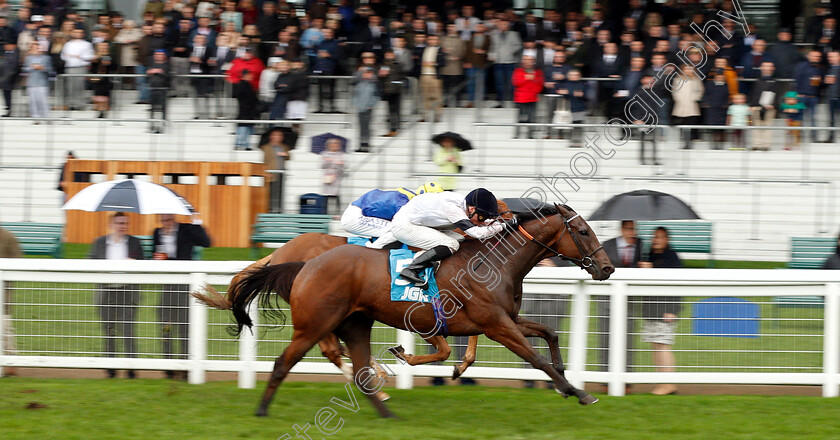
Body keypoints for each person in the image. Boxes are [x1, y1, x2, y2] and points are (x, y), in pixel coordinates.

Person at [368, 188, 505, 287]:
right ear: (471, 209)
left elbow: (478, 225)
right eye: (482, 217)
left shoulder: (463, 204)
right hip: (405, 225)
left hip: (417, 220)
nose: (482, 221)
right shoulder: (453, 209)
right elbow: (476, 233)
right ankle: (411, 269)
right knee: (452, 244)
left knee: (460, 239)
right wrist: (503, 227)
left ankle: (426, 261)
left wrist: (498, 224)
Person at [153, 213, 211, 380]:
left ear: (174, 217)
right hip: (167, 284)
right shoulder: (157, 233)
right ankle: (168, 366)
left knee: (185, 326)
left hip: (185, 283)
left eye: (168, 219)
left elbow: (206, 243)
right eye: (163, 220)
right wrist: (158, 260)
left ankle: (186, 366)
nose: (166, 223)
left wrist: (197, 223)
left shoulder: (187, 229)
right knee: (165, 324)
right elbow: (157, 256)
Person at [88, 212, 144, 379]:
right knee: (109, 330)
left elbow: (144, 263)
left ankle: (131, 367)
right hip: (106, 293)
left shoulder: (134, 243)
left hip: (127, 292)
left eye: (125, 223)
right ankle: (111, 368)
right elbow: (89, 261)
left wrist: (133, 263)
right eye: (119, 223)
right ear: (111, 224)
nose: (123, 226)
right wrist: (102, 267)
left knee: (128, 330)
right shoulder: (99, 242)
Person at [638, 227, 682, 395]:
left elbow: (677, 285)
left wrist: (673, 310)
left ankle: (669, 383)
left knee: (663, 346)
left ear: (667, 239)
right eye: (655, 237)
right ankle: (662, 381)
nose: (656, 240)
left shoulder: (671, 258)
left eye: (661, 237)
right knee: (656, 346)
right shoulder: (648, 256)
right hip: (651, 310)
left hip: (666, 310)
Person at [597, 220, 643, 382]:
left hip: (629, 301)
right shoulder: (607, 245)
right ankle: (604, 378)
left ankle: (626, 378)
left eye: (635, 229)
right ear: (622, 229)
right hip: (606, 299)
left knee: (627, 339)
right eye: (630, 229)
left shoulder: (641, 247)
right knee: (605, 338)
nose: (633, 232)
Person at [341, 182, 442, 239]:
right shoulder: (404, 202)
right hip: (354, 217)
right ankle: (373, 250)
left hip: (359, 211)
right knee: (397, 232)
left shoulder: (407, 198)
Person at [0, 223, 21, 376]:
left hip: (3, 291)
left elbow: (19, 261)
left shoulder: (8, 237)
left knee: (5, 327)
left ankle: (11, 362)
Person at [59, 28, 93, 111]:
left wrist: (79, 56)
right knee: (70, 86)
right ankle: (71, 103)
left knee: (79, 86)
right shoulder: (67, 44)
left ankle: (80, 104)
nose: (77, 34)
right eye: (75, 32)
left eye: (79, 32)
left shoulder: (87, 44)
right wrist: (68, 57)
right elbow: (63, 55)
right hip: (70, 66)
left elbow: (90, 56)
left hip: (80, 66)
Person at [748, 61, 779, 150]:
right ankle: (756, 144)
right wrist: (751, 105)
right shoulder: (757, 81)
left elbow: (777, 95)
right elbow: (753, 94)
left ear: (773, 68)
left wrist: (773, 105)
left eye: (769, 66)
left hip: (769, 108)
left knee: (768, 126)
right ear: (761, 68)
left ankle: (766, 145)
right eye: (765, 66)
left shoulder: (775, 82)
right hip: (757, 107)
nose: (767, 69)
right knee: (756, 126)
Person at [671, 64, 703, 150]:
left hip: (692, 105)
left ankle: (689, 142)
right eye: (687, 69)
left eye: (691, 69)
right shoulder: (677, 79)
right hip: (681, 105)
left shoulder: (697, 79)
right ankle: (684, 141)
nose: (689, 71)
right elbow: (674, 91)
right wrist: (678, 99)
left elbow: (700, 90)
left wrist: (695, 98)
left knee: (691, 123)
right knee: (682, 124)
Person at [260, 127, 292, 212]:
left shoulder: (284, 147)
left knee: (280, 191)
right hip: (272, 171)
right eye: (276, 135)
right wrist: (267, 171)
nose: (278, 137)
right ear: (271, 136)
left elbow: (289, 157)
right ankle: (269, 208)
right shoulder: (266, 147)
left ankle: (279, 208)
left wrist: (285, 155)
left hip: (281, 171)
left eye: (280, 135)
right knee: (270, 191)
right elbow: (265, 160)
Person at [512, 54, 544, 139]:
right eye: (526, 60)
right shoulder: (518, 71)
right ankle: (517, 134)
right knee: (520, 117)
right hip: (520, 98)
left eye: (530, 60)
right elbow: (516, 83)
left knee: (532, 118)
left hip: (532, 98)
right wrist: (526, 78)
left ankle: (530, 134)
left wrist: (532, 81)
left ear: (533, 62)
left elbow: (540, 84)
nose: (528, 62)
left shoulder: (538, 72)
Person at [353, 60, 379, 153]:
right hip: (360, 108)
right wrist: (356, 105)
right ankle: (361, 143)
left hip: (368, 109)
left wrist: (371, 105)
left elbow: (376, 96)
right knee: (361, 126)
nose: (366, 74)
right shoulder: (359, 84)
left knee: (366, 127)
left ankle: (366, 144)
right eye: (365, 73)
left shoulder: (374, 85)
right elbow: (355, 95)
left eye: (368, 73)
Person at [22, 44, 52, 121]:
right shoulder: (28, 58)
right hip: (31, 83)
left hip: (42, 83)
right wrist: (31, 67)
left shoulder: (47, 58)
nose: (37, 50)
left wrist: (42, 68)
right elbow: (24, 69)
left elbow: (50, 70)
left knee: (43, 100)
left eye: (38, 48)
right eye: (35, 48)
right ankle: (35, 117)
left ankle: (46, 117)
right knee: (33, 101)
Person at [379, 48, 405, 137]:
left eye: (390, 54)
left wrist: (397, 85)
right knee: (391, 111)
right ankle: (393, 128)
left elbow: (402, 77)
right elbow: (380, 78)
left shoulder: (398, 65)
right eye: (387, 55)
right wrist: (381, 75)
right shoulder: (382, 65)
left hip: (396, 91)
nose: (389, 56)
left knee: (395, 110)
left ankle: (395, 128)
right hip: (387, 91)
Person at [419, 34, 445, 123]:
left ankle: (437, 115)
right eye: (430, 39)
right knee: (425, 96)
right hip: (424, 75)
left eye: (434, 39)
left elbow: (443, 63)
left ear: (437, 41)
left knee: (436, 96)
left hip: (434, 76)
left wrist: (434, 63)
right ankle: (425, 115)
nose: (432, 41)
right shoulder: (424, 49)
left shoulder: (440, 50)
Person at [233, 69, 260, 150]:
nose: (251, 76)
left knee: (246, 126)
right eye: (249, 75)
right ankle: (241, 143)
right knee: (244, 126)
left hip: (248, 110)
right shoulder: (242, 85)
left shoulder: (246, 85)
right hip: (245, 110)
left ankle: (244, 143)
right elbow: (246, 97)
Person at [147, 49, 170, 134]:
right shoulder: (152, 64)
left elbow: (169, 76)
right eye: (156, 54)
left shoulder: (167, 65)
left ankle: (162, 125)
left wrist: (159, 72)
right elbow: (148, 74)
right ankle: (152, 125)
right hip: (153, 88)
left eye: (160, 54)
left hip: (162, 89)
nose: (157, 56)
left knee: (163, 108)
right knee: (152, 108)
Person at [320, 138, 346, 214]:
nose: (335, 145)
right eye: (333, 143)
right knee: (326, 195)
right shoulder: (324, 154)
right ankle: (324, 212)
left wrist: (340, 164)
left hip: (337, 177)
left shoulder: (341, 154)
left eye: (337, 144)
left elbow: (345, 166)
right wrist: (328, 161)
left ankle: (337, 212)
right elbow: (322, 165)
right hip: (328, 177)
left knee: (336, 194)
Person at [89, 41, 114, 119]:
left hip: (106, 79)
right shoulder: (95, 57)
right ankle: (99, 110)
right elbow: (92, 68)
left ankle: (104, 111)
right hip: (97, 79)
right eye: (101, 46)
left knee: (105, 95)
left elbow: (113, 67)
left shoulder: (110, 56)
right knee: (97, 95)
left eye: (105, 46)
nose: (103, 47)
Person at [0, 39, 18, 117]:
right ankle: (5, 110)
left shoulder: (15, 55)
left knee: (8, 96)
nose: (5, 46)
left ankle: (8, 111)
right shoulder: (4, 54)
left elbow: (13, 69)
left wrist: (3, 79)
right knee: (5, 96)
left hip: (9, 80)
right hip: (3, 80)